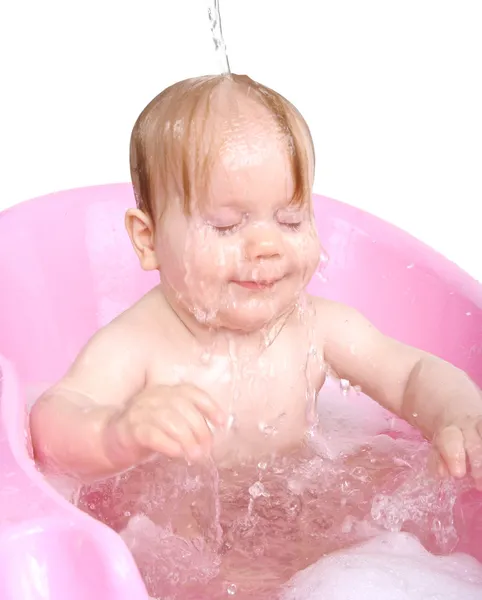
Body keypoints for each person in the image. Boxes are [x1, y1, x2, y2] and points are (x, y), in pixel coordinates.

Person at [30, 73, 482, 493]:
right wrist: (117, 434)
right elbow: (53, 421)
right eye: (226, 226)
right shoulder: (138, 344)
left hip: (299, 511)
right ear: (148, 240)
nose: (266, 245)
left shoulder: (316, 327)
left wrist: (456, 414)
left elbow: (409, 375)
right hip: (180, 538)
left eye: (290, 220)